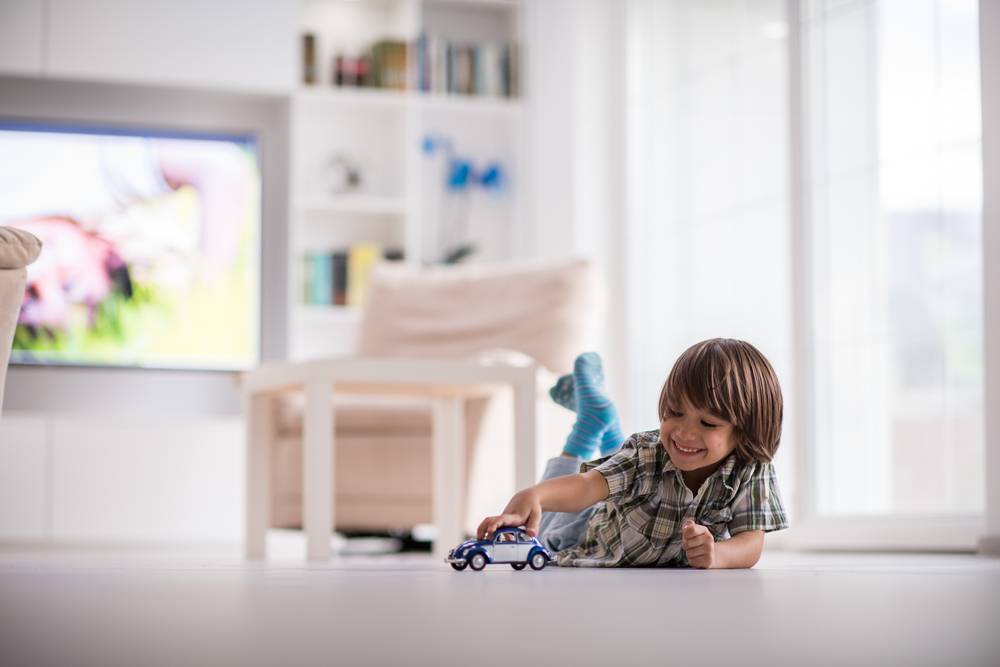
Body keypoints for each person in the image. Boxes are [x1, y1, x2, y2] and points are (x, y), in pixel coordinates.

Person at [476, 339, 789, 569]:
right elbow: (586, 487)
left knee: (623, 473)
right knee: (544, 530)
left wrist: (718, 555)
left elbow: (751, 542)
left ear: (745, 431)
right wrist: (536, 494)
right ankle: (587, 427)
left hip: (628, 507)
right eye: (674, 412)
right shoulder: (647, 453)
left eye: (707, 423)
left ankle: (599, 421)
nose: (684, 432)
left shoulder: (751, 468)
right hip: (582, 531)